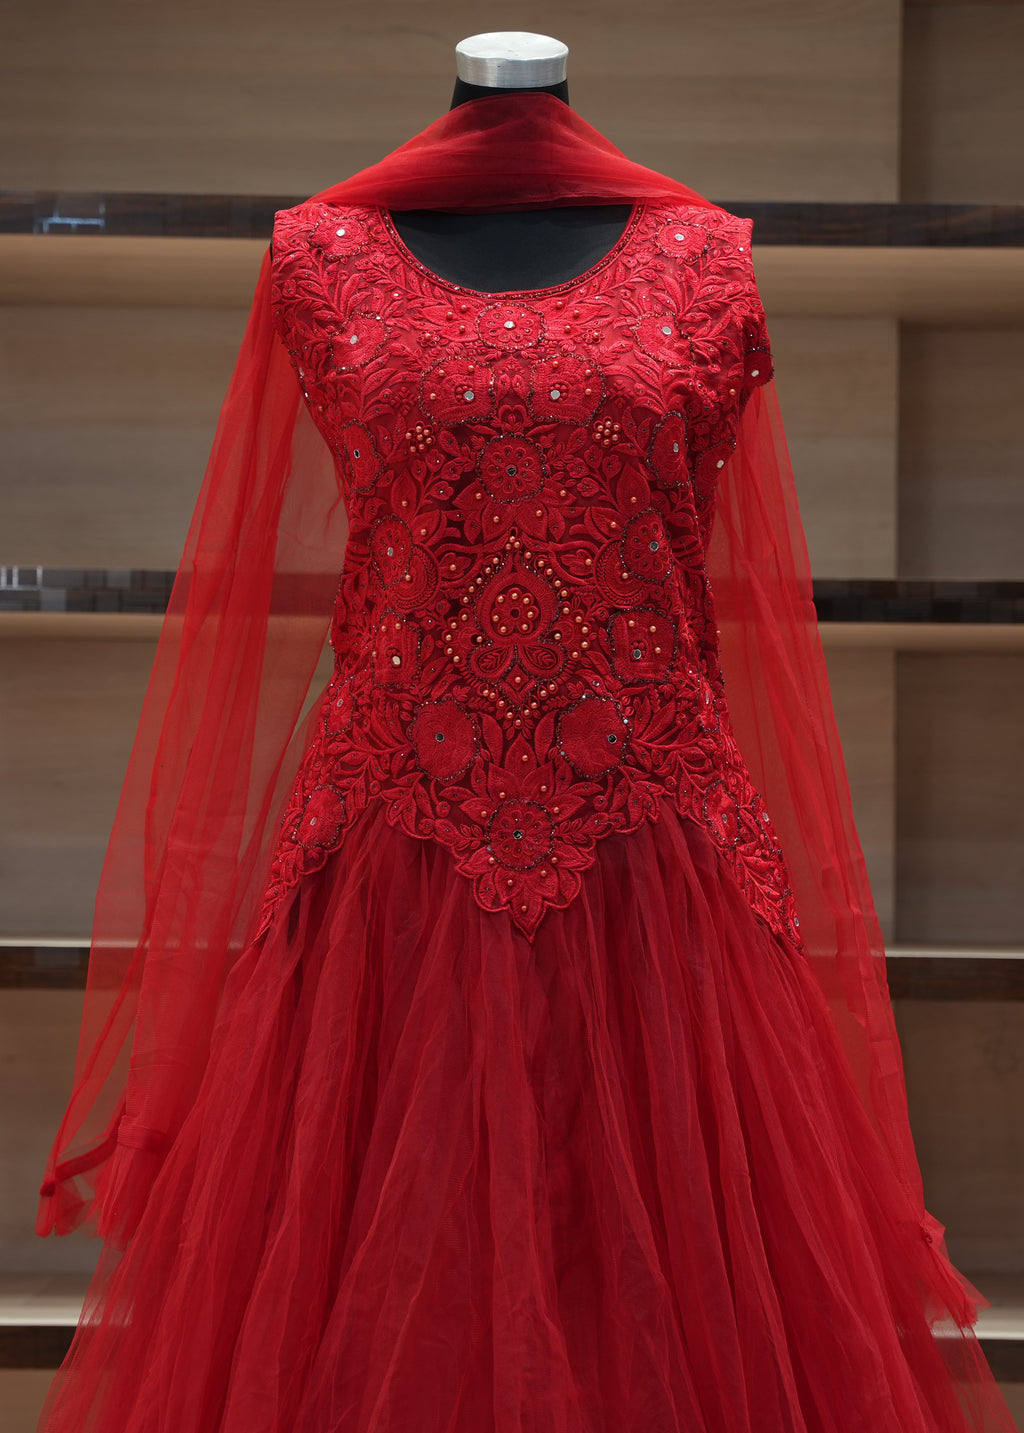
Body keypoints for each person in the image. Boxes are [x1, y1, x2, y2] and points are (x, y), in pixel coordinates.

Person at [34, 32, 1020, 1433]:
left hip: (654, 874)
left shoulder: (703, 260)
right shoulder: (320, 257)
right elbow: (244, 588)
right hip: (394, 866)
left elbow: (735, 595)